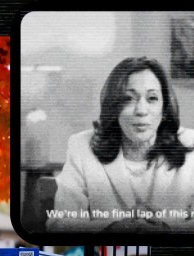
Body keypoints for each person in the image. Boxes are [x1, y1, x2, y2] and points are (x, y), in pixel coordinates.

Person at [46, 56, 194, 233]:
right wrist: (112, 228)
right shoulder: (81, 146)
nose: (141, 111)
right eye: (128, 99)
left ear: (164, 109)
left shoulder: (191, 145)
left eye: (152, 98)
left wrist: (165, 229)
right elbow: (59, 225)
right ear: (114, 107)